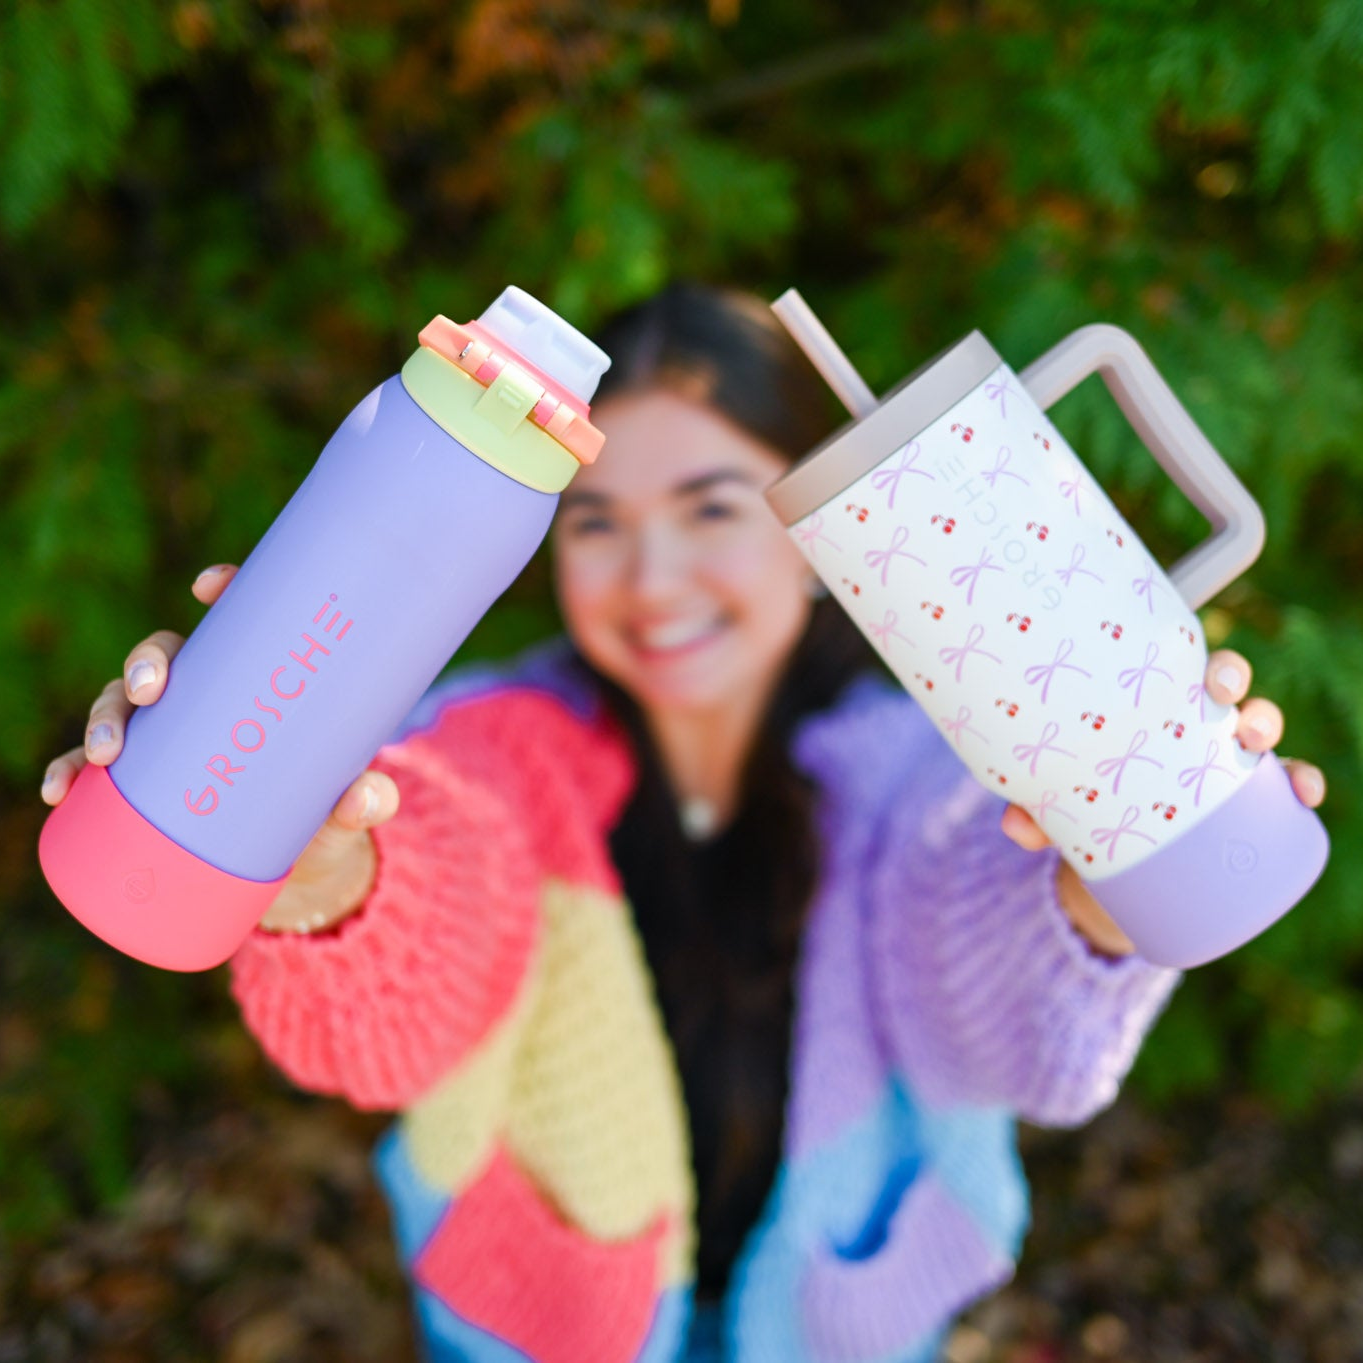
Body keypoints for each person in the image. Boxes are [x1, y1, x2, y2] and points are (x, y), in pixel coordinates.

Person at [42, 284, 1327, 1363]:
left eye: (713, 509)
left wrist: (1102, 891)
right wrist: (318, 861)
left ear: (830, 525)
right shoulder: (480, 747)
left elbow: (1015, 1046)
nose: (652, 582)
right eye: (597, 524)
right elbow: (403, 1008)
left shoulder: (919, 770)